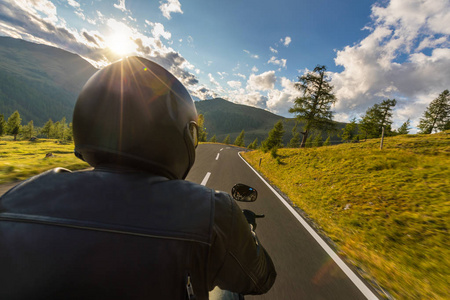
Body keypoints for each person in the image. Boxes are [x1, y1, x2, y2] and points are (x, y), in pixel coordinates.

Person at [0, 56, 276, 299]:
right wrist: (246, 231)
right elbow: (261, 280)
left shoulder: (19, 196)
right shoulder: (214, 212)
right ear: (179, 133)